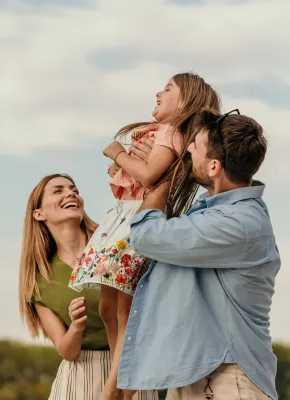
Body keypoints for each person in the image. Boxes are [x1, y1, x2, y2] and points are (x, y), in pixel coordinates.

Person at [69, 72, 221, 399]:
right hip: (124, 220)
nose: (158, 92)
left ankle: (115, 390)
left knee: (123, 313)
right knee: (109, 309)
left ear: (185, 100)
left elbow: (151, 175)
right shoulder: (163, 133)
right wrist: (126, 165)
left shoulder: (170, 131)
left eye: (167, 89)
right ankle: (120, 379)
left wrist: (118, 154)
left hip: (134, 224)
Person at [117, 110, 280, 400]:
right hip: (199, 374)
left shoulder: (237, 223)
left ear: (215, 166)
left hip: (229, 379)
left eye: (195, 147)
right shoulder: (214, 211)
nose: (187, 150)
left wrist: (164, 179)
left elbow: (146, 235)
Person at [19, 174, 157, 399]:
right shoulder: (39, 280)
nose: (70, 193)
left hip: (129, 369)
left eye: (73, 189)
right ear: (39, 214)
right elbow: (67, 351)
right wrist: (75, 326)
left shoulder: (116, 244)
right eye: (58, 190)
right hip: (79, 379)